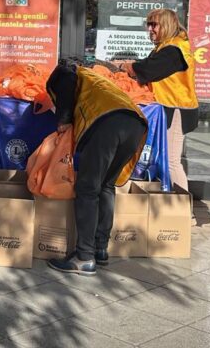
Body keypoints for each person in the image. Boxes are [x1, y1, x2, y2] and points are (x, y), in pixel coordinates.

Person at [45, 60, 149, 275]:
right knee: (106, 186)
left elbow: (66, 80)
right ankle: (100, 249)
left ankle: (84, 257)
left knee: (87, 188)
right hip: (135, 123)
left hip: (107, 124)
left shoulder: (68, 72)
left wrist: (63, 119)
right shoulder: (97, 79)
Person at [115, 9, 198, 190]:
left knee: (171, 161)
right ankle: (171, 200)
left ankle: (183, 204)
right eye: (148, 24)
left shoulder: (175, 50)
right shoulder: (166, 47)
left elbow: (148, 69)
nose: (150, 29)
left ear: (167, 25)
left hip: (176, 108)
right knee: (164, 159)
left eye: (154, 25)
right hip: (167, 107)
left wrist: (124, 66)